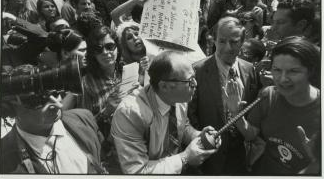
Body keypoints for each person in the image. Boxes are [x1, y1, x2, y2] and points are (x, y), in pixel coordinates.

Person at [111, 51, 221, 174]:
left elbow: (182, 126)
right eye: (190, 80)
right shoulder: (130, 114)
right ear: (164, 86)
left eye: (194, 78)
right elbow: (137, 171)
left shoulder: (180, 98)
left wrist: (198, 136)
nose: (195, 84)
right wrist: (185, 158)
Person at [225, 36, 320, 175]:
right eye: (277, 70)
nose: (282, 79)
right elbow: (251, 134)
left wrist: (317, 162)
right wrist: (235, 113)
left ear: (310, 71)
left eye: (293, 71)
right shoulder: (268, 95)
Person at [0, 65, 105, 174]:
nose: (58, 104)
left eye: (55, 92)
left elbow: (104, 157)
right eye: (40, 100)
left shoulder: (84, 118)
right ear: (11, 107)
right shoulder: (3, 161)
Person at [188, 16, 260, 175]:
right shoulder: (197, 71)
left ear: (242, 42)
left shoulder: (250, 70)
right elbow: (190, 116)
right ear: (213, 40)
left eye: (234, 42)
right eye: (222, 41)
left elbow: (253, 113)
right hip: (209, 158)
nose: (228, 47)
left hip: (241, 158)